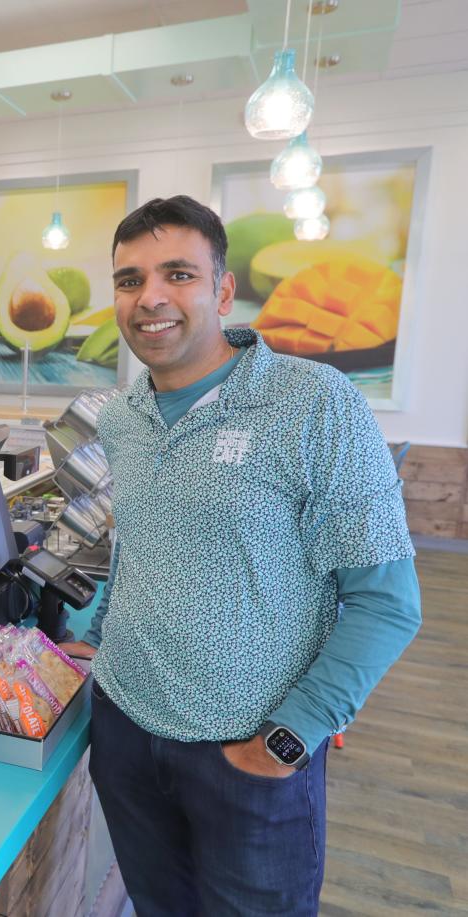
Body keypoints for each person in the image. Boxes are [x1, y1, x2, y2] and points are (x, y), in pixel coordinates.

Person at [59, 196, 421, 916]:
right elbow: (137, 543)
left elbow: (387, 602)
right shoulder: (124, 417)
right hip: (127, 733)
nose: (149, 298)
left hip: (249, 753)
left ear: (223, 290)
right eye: (129, 280)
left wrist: (288, 739)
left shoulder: (315, 403)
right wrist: (98, 638)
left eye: (177, 274)